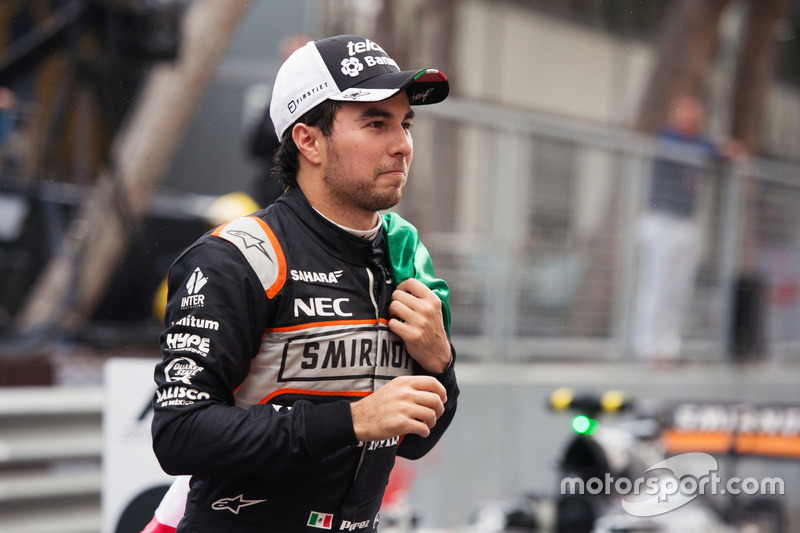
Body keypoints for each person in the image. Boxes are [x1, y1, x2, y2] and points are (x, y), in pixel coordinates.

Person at [144, 34, 458, 533]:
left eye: (405, 124)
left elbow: (416, 438)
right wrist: (351, 421)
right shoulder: (240, 257)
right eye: (376, 123)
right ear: (308, 140)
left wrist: (442, 364)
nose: (402, 145)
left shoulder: (402, 255)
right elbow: (179, 434)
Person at [633, 95, 743, 367]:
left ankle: (669, 348)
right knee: (657, 286)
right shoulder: (667, 139)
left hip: (685, 223)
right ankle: (647, 348)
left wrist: (722, 147)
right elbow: (694, 151)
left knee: (679, 290)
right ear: (676, 118)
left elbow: (716, 148)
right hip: (662, 221)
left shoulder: (700, 143)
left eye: (695, 118)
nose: (690, 122)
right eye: (686, 117)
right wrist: (717, 148)